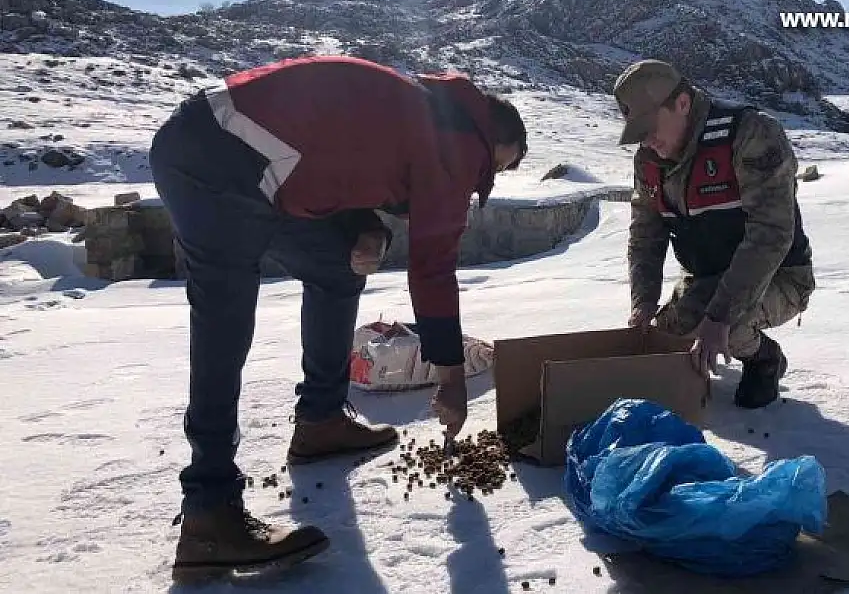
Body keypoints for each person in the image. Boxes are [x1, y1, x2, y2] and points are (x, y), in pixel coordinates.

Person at [149, 55, 527, 583]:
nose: (482, 184)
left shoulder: (430, 113)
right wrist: (451, 378)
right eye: (498, 170)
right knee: (225, 318)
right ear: (495, 143)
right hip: (219, 159)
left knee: (338, 264)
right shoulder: (461, 144)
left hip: (234, 155)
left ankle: (321, 422)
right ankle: (209, 511)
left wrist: (368, 229)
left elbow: (330, 159)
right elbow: (434, 267)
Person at [614, 59, 813, 409]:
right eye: (637, 132)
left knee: (731, 329)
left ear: (682, 104)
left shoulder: (750, 135)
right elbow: (646, 235)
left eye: (649, 127)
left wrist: (719, 316)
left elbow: (770, 235)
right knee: (663, 339)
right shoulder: (648, 160)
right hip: (705, 277)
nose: (645, 141)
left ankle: (764, 359)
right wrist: (643, 305)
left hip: (778, 276)